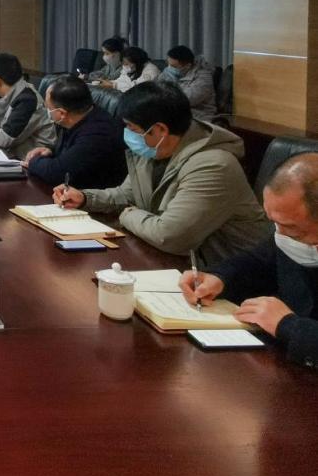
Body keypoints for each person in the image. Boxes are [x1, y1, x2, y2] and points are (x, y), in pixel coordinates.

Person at [55, 81, 269, 265]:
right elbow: (127, 194)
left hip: (227, 279)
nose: (127, 134)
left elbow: (170, 236)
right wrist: (85, 198)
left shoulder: (214, 166)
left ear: (160, 130)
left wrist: (127, 214)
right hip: (172, 262)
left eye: (131, 128)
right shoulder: (153, 149)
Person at [180, 153, 318, 368]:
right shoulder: (287, 231)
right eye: (274, 222)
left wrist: (287, 326)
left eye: (291, 228)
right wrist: (220, 278)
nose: (280, 234)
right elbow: (260, 261)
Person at [23, 74, 127, 189]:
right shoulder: (77, 117)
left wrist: (33, 161)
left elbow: (57, 173)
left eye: (48, 108)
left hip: (91, 195)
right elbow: (69, 154)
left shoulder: (98, 134)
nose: (48, 111)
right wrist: (50, 151)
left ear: (62, 113)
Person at [159, 45, 216, 121]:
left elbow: (186, 100)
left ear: (188, 66)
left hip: (198, 116)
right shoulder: (168, 72)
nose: (169, 68)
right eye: (168, 64)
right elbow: (156, 89)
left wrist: (161, 97)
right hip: (174, 111)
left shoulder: (203, 77)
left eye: (173, 66)